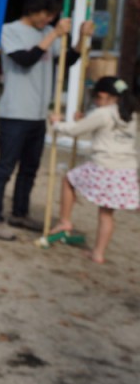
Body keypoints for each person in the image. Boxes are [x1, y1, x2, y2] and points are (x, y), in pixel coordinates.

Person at [0, 0, 81, 241]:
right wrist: (54, 34)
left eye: (53, 16)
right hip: (15, 113)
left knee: (30, 169)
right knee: (5, 167)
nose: (48, 20)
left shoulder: (48, 32)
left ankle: (20, 213)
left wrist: (81, 39)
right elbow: (25, 60)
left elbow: (65, 62)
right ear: (33, 9)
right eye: (46, 14)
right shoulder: (9, 30)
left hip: (38, 115)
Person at [49, 76, 138, 263]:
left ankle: (65, 220)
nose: (96, 102)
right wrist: (84, 119)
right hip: (126, 170)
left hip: (104, 166)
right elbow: (100, 127)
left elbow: (75, 130)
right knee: (106, 214)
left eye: (96, 98)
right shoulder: (131, 114)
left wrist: (57, 124)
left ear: (103, 95)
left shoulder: (103, 113)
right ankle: (98, 253)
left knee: (69, 180)